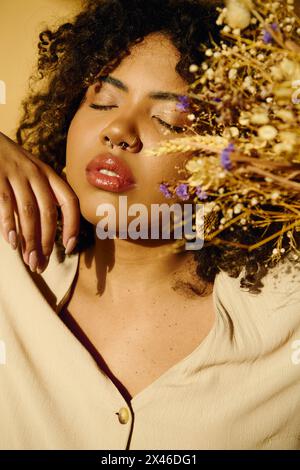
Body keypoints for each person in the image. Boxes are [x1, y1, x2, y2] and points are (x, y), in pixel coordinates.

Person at [0, 0, 299, 450]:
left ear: (232, 158)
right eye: (101, 101)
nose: (119, 129)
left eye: (169, 120)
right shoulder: (10, 257)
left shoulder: (286, 321)